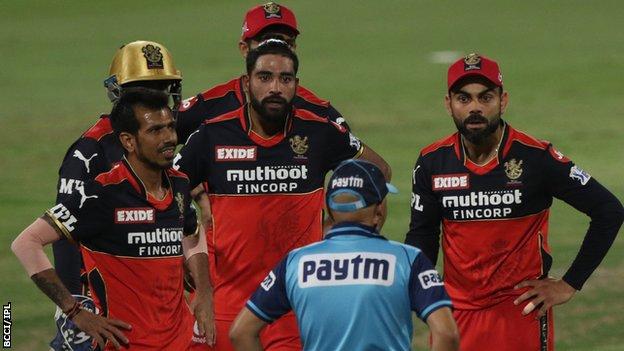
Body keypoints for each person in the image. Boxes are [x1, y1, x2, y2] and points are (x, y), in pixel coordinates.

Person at [175, 39, 387, 351]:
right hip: (227, 301)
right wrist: (191, 258)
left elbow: (378, 171)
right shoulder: (212, 134)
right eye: (265, 77)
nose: (275, 87)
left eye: (285, 79)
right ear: (247, 83)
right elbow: (167, 194)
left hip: (297, 305)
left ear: (296, 86)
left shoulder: (320, 132)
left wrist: (341, 231)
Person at [405, 53, 624, 351]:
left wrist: (570, 283)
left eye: (485, 97)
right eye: (463, 98)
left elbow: (608, 210)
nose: (475, 108)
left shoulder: (536, 158)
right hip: (456, 315)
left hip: (520, 311)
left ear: (502, 100)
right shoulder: (433, 162)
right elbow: (423, 235)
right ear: (449, 104)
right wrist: (422, 295)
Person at [11, 89, 214, 350]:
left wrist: (205, 293)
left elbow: (191, 230)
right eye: (155, 131)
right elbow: (26, 243)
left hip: (181, 342)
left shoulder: (180, 183)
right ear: (129, 141)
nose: (169, 138)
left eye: (170, 127)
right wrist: (74, 312)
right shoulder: (101, 194)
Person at [229, 159, 459, 351]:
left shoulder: (294, 263)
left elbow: (241, 333)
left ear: (330, 210)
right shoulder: (407, 260)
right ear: (378, 211)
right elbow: (446, 333)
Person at [175, 1, 390, 179]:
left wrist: (336, 220)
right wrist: (195, 200)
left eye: (286, 41)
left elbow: (374, 173)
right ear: (244, 48)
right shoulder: (211, 106)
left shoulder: (319, 114)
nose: (276, 47)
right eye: (266, 40)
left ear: (294, 49)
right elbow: (149, 147)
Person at [52, 40, 183, 296]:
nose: (154, 99)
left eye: (161, 89)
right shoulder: (90, 152)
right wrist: (74, 307)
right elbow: (63, 235)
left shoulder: (164, 142)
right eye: (142, 92)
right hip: (102, 301)